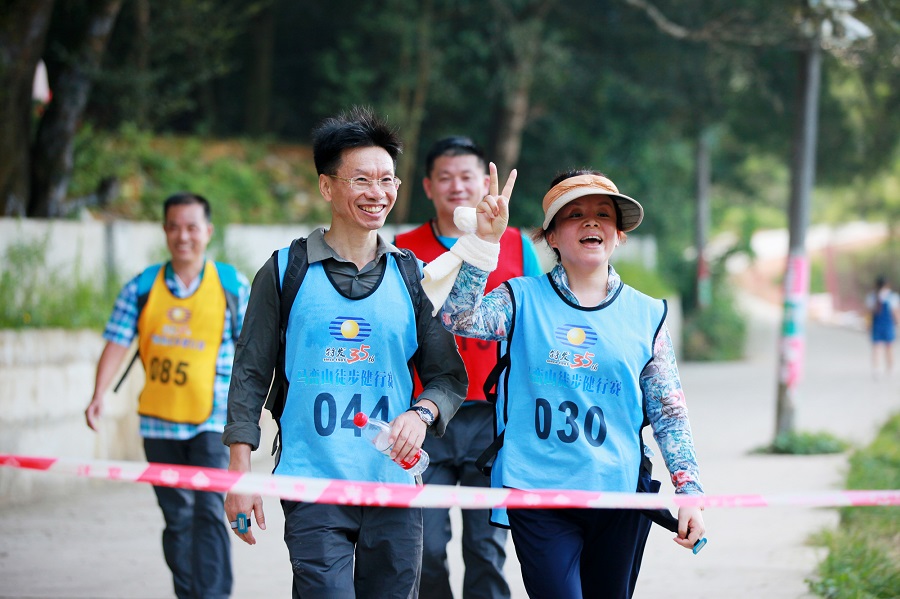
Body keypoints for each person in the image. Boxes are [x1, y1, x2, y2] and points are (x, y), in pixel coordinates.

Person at [222, 106, 467, 599]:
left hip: (393, 482)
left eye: (387, 180)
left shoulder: (412, 275)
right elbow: (249, 372)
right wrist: (239, 472)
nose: (377, 193)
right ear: (327, 186)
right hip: (312, 481)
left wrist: (421, 414)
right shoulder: (284, 271)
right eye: (361, 180)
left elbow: (447, 377)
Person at [428, 166, 706, 599]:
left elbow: (668, 413)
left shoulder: (647, 315)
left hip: (618, 492)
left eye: (603, 214)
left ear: (619, 235)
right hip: (537, 492)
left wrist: (689, 492)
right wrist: (484, 242)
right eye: (575, 214)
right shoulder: (520, 298)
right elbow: (458, 318)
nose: (591, 222)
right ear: (552, 236)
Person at [395, 136, 543, 599]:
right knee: (424, 545)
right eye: (445, 177)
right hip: (426, 416)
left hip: (493, 418)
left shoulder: (517, 244)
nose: (457, 186)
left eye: (467, 177)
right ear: (428, 186)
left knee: (486, 547)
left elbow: (537, 326)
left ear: (484, 184)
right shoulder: (402, 248)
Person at [85, 192, 250, 599]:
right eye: (174, 227)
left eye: (192, 227)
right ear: (164, 231)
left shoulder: (231, 285)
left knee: (208, 511)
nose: (183, 236)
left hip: (213, 423)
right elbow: (117, 340)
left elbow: (253, 349)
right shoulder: (142, 287)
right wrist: (98, 393)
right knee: (177, 517)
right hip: (158, 424)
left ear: (208, 231)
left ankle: (213, 595)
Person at [865, 275, 899, 378]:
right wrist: (898, 323)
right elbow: (895, 313)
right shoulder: (892, 297)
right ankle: (890, 368)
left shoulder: (872, 297)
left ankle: (876, 369)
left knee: (876, 348)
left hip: (877, 326)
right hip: (888, 326)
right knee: (889, 347)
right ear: (887, 284)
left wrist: (868, 325)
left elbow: (868, 313)